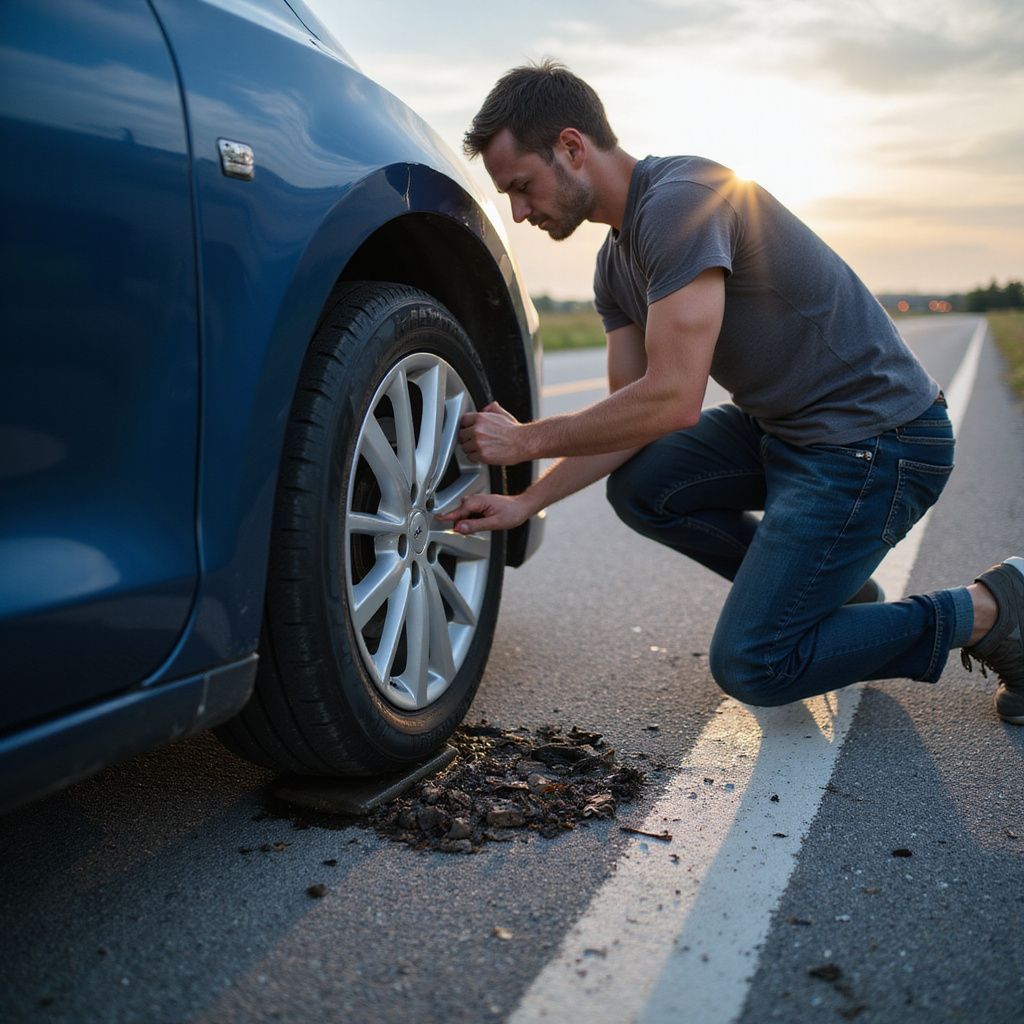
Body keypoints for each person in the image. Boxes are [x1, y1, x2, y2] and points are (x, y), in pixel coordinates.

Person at [439, 59, 1023, 722]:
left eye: (522, 186)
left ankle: (991, 608)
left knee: (757, 662)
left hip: (880, 443)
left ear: (571, 147)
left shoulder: (683, 200)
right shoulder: (613, 265)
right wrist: (529, 501)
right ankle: (837, 599)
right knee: (643, 486)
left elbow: (674, 399)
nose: (517, 213)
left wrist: (526, 439)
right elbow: (632, 421)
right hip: (792, 435)